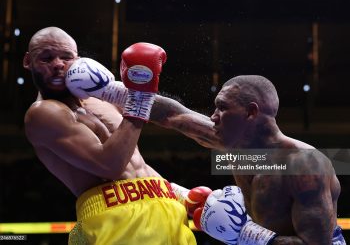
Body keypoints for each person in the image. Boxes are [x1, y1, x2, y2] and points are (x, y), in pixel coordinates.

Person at [23, 26, 202, 244]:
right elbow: (110, 165)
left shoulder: (101, 98)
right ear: (28, 61)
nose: (58, 64)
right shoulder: (43, 113)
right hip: (117, 216)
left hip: (165, 206)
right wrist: (140, 98)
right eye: (47, 58)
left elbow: (140, 159)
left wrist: (183, 195)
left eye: (66, 57)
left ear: (78, 59)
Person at [149, 75, 346, 244]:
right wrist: (120, 92)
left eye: (222, 108)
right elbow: (173, 115)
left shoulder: (303, 165)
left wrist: (245, 234)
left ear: (251, 112)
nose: (213, 117)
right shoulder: (231, 141)